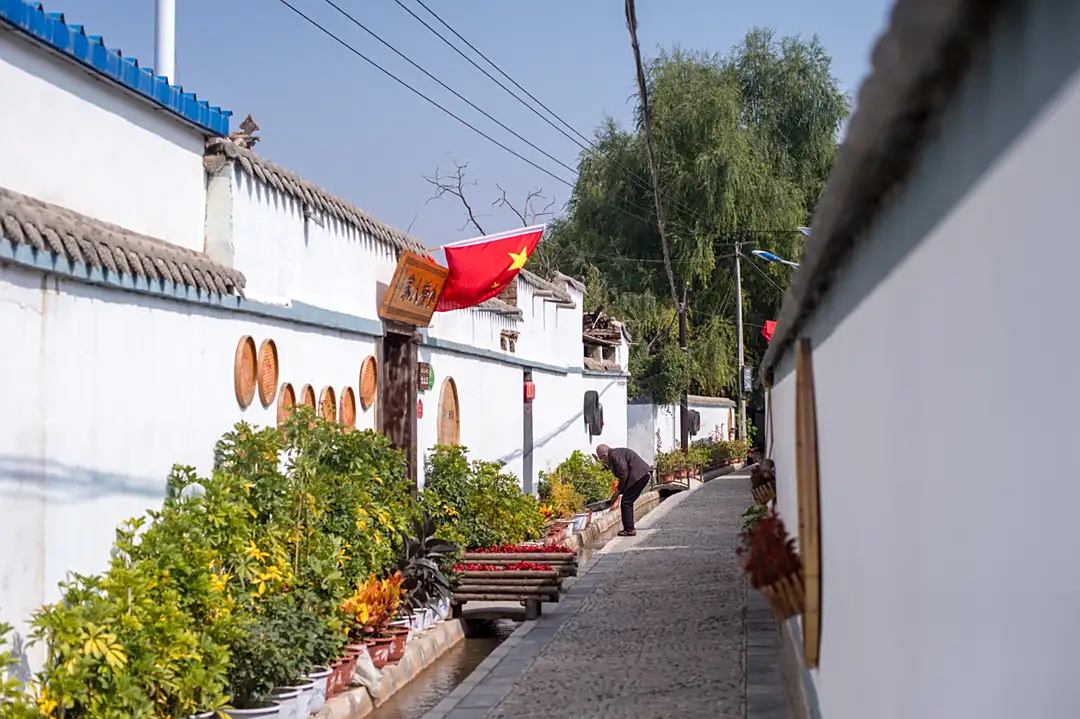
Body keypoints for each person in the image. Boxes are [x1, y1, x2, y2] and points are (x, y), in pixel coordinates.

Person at [595, 444, 652, 536]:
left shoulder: (614, 455)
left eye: (601, 459)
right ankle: (629, 528)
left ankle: (629, 529)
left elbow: (623, 473)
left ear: (605, 455)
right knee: (627, 500)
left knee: (626, 502)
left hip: (639, 476)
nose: (602, 461)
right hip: (640, 475)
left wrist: (618, 491)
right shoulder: (615, 454)